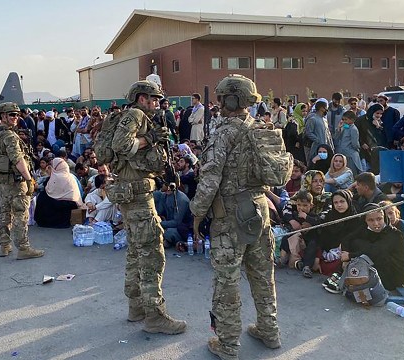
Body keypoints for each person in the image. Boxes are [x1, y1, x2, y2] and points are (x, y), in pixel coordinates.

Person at [189, 75, 280, 359]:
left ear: (228, 100)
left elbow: (210, 177)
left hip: (229, 215)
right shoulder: (259, 128)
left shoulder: (224, 131)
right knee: (263, 275)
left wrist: (196, 213)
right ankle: (270, 331)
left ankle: (228, 345)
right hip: (259, 208)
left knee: (227, 281)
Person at [111, 80, 187, 335]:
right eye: (153, 99)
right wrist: (149, 139)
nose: (157, 103)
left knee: (135, 252)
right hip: (138, 197)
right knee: (152, 254)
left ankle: (136, 307)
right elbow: (121, 146)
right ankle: (154, 315)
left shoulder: (131, 117)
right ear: (142, 98)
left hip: (131, 194)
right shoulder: (135, 115)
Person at [0, 102, 43, 259]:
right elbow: (18, 159)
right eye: (12, 114)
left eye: (17, 114)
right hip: (15, 182)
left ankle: (5, 245)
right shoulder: (10, 136)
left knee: (5, 213)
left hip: (3, 180)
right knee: (20, 214)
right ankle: (23, 248)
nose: (16, 117)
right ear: (3, 116)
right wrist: (29, 179)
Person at [341, 203, 404, 291]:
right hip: (378, 266)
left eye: (379, 219)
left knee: (362, 245)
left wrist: (350, 255)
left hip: (393, 275)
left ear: (384, 218)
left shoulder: (394, 234)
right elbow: (347, 239)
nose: (376, 223)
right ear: (365, 221)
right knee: (355, 242)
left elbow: (377, 251)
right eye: (371, 220)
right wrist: (345, 259)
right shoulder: (365, 229)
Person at [34, 158, 82, 228]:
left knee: (42, 196)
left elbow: (48, 190)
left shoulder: (57, 177)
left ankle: (44, 221)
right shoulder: (71, 176)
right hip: (72, 203)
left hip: (64, 203)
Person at [157, 181, 192, 249]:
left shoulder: (182, 200)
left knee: (169, 232)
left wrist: (159, 224)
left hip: (182, 228)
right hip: (168, 223)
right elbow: (159, 212)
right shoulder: (164, 195)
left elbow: (177, 222)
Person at [333, 110, 363, 175]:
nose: (344, 121)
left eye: (346, 120)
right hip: (342, 153)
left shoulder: (353, 129)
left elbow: (355, 143)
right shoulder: (344, 127)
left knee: (351, 173)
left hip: (350, 155)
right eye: (343, 119)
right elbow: (336, 137)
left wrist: (357, 149)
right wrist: (338, 129)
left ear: (352, 120)